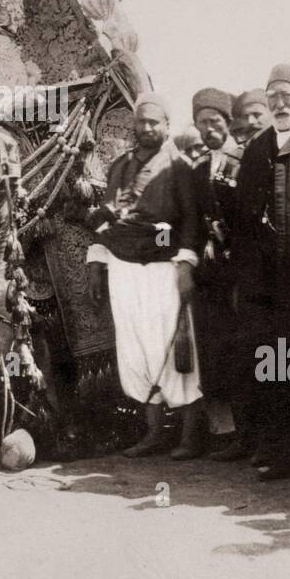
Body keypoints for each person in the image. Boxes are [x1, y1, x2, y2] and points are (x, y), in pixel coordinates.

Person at [87, 92, 201, 458]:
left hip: (162, 267)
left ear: (167, 126)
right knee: (135, 348)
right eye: (142, 121)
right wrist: (96, 265)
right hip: (123, 267)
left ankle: (190, 435)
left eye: (155, 122)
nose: (147, 127)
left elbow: (191, 221)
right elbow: (105, 220)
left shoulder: (179, 167)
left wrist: (184, 265)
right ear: (133, 125)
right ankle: (155, 433)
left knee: (172, 346)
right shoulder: (119, 166)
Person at [231, 64, 290, 479]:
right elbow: (243, 220)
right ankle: (283, 453)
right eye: (273, 96)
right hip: (269, 282)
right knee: (275, 365)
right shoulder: (256, 148)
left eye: (287, 94)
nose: (280, 103)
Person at [188, 88, 243, 460]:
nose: (210, 129)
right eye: (203, 123)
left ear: (228, 123)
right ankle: (226, 432)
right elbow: (191, 220)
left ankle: (250, 431)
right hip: (210, 272)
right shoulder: (197, 169)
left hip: (240, 268)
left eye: (216, 122)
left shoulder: (245, 160)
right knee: (215, 348)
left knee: (242, 347)